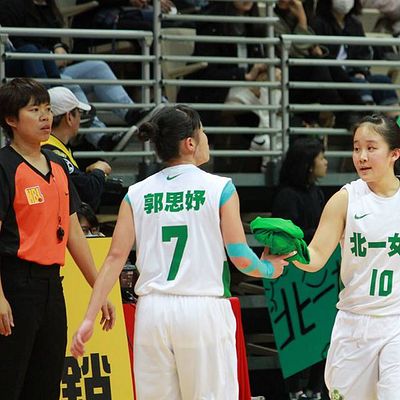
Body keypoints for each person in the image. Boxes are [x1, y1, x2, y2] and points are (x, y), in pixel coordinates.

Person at [70, 105, 293, 399]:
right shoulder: (220, 188)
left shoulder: (136, 193)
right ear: (190, 143)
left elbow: (114, 259)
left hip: (152, 313)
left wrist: (89, 317)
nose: (207, 139)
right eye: (203, 133)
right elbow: (240, 256)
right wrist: (269, 268)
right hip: (202, 309)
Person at [0, 77, 115, 400]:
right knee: (9, 383)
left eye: (47, 109)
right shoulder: (4, 166)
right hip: (15, 285)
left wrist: (99, 289)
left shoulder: (58, 167)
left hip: (52, 286)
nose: (45, 117)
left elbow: (74, 232)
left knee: (46, 382)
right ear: (11, 120)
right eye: (34, 110)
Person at [292, 114, 400, 400]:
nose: (361, 156)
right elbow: (315, 257)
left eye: (371, 148)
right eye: (356, 148)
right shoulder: (345, 199)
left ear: (394, 154)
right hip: (354, 323)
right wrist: (291, 250)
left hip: (396, 322)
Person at [0, 0, 142, 151]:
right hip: (26, 73)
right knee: (67, 81)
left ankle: (130, 113)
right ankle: (100, 137)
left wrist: (60, 47)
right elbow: (14, 44)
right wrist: (49, 54)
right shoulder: (10, 4)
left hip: (51, 67)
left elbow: (55, 39)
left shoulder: (48, 7)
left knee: (98, 67)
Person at [272, 137, 328, 400]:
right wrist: (321, 234)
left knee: (323, 333)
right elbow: (287, 237)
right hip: (292, 275)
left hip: (318, 272)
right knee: (295, 334)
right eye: (321, 158)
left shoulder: (317, 193)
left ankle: (315, 389)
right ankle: (295, 391)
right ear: (308, 164)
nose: (325, 162)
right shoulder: (287, 196)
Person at [42, 86, 112, 211]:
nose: (80, 119)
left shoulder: (49, 145)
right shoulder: (52, 151)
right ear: (69, 117)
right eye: (79, 113)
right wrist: (99, 169)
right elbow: (87, 192)